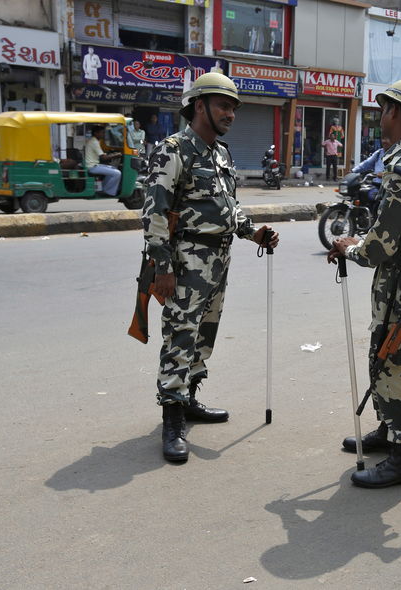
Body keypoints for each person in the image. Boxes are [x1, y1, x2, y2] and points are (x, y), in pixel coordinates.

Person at [142, 72, 279, 463]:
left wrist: (254, 233)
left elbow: (230, 208)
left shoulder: (221, 154)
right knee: (180, 334)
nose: (231, 113)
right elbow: (154, 214)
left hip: (218, 260)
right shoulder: (174, 150)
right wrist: (163, 267)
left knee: (205, 332)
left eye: (234, 107)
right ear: (198, 105)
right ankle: (172, 419)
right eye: (223, 104)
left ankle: (190, 400)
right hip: (185, 261)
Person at [328, 78, 401, 488]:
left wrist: (349, 249)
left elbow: (381, 246)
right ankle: (389, 428)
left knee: (393, 357)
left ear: (397, 112)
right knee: (390, 353)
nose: (382, 114)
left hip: (399, 281)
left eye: (385, 108)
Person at [84, 125, 122, 196]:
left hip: (94, 164)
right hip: (92, 166)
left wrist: (112, 154)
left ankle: (104, 188)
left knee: (114, 169)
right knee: (117, 173)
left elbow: (101, 154)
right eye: (102, 133)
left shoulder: (94, 141)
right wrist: (116, 155)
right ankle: (107, 191)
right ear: (96, 133)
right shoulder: (94, 142)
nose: (103, 134)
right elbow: (103, 158)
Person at [351, 137, 389, 202]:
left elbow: (398, 170)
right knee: (361, 194)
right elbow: (367, 163)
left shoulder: (397, 154)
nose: (384, 141)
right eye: (383, 139)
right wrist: (353, 171)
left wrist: (385, 174)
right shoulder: (379, 153)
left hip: (387, 187)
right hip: (376, 184)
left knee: (379, 202)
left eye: (387, 139)